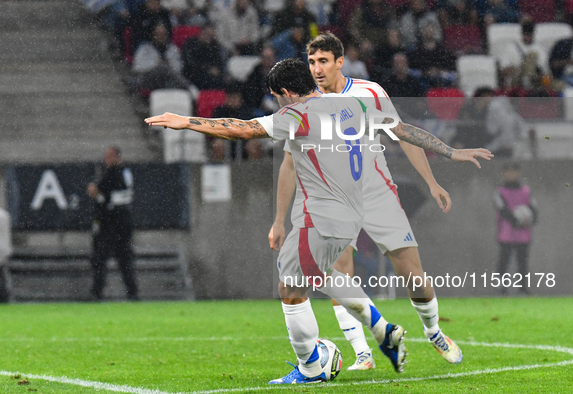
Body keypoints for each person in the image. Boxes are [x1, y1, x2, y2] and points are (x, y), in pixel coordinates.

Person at [145, 58, 491, 383]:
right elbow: (402, 130)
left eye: (277, 96)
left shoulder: (296, 114)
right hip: (353, 210)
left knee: (292, 288)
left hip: (325, 215)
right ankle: (378, 329)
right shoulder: (355, 105)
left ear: (285, 93)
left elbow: (244, 130)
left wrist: (188, 121)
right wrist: (450, 151)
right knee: (310, 275)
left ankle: (313, 366)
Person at [269, 33, 477, 371]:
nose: (317, 68)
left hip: (376, 193)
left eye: (323, 61)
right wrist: (279, 220)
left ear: (340, 61)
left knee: (412, 275)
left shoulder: (370, 92)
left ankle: (434, 331)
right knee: (338, 272)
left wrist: (431, 181)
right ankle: (363, 353)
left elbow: (402, 134)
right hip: (331, 198)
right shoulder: (305, 102)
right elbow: (290, 163)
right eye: (311, 62)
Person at [87, 146, 138, 301]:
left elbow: (100, 192)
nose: (106, 160)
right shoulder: (126, 173)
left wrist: (95, 192)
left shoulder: (113, 173)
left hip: (110, 223)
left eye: (108, 156)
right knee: (125, 259)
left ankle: (97, 292)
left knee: (101, 258)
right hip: (124, 222)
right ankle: (132, 292)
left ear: (116, 157)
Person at [494, 163, 538, 295]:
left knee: (522, 263)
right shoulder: (500, 191)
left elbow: (534, 209)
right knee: (504, 262)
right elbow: (502, 209)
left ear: (518, 173)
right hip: (506, 233)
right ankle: (502, 289)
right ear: (504, 173)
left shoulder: (526, 191)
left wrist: (531, 219)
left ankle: (523, 289)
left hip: (523, 234)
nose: (511, 174)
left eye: (513, 171)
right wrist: (516, 220)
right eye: (508, 172)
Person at [132, 22, 192, 91]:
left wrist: (170, 64)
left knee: (170, 83)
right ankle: (189, 87)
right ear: (153, 35)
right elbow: (137, 67)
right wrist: (156, 64)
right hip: (149, 78)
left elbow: (179, 67)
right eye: (158, 34)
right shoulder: (145, 48)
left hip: (168, 79)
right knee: (163, 68)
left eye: (163, 34)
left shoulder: (173, 48)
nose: (161, 37)